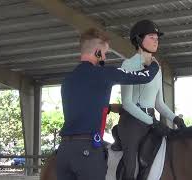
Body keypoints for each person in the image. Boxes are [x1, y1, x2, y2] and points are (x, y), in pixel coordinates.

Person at [56, 27, 160, 180]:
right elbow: (145, 77)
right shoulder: (103, 73)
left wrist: (110, 108)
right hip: (87, 150)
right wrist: (155, 65)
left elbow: (84, 104)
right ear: (97, 52)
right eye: (104, 53)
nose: (104, 57)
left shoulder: (68, 80)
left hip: (64, 152)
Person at [114, 19, 186, 180]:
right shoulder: (128, 64)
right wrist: (153, 122)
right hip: (131, 123)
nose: (156, 40)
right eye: (152, 37)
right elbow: (127, 103)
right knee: (131, 167)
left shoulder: (156, 68)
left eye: (157, 38)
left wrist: (174, 118)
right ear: (139, 39)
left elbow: (159, 103)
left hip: (149, 120)